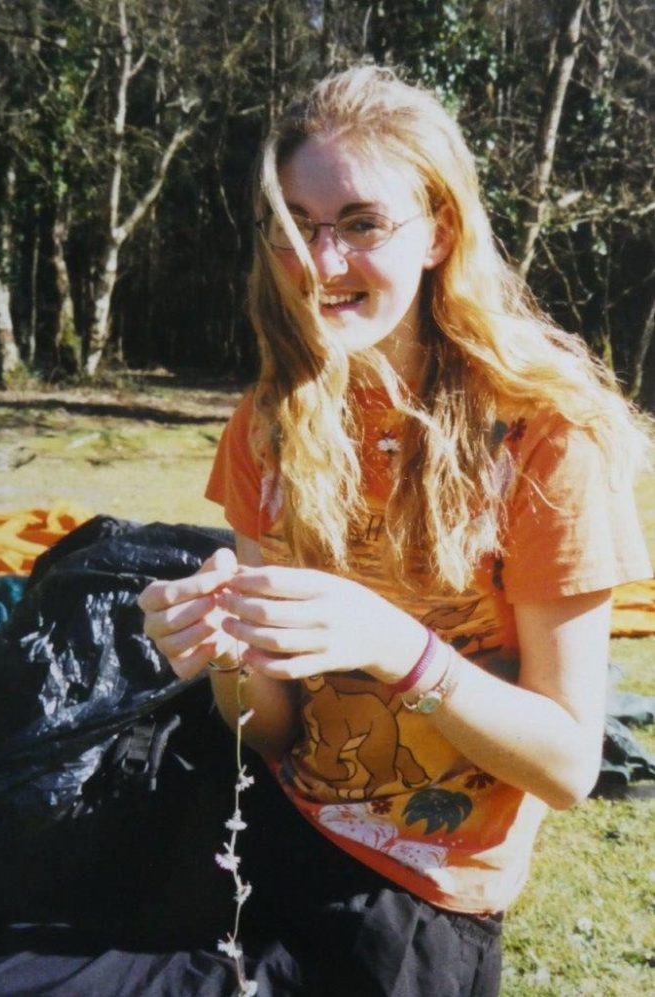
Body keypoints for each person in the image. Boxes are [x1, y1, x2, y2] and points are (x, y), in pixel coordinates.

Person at [138, 65, 652, 995]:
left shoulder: (544, 434)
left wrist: (398, 650)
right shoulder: (269, 421)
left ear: (438, 232)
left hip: (416, 900)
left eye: (361, 224)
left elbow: (571, 765)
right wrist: (220, 652)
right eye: (296, 223)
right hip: (273, 833)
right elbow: (271, 729)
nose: (318, 261)